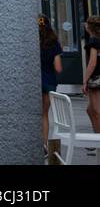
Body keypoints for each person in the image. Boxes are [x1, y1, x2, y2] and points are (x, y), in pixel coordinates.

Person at [41, 16, 64, 145]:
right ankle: (44, 144)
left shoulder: (32, 42)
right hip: (49, 81)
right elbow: (58, 68)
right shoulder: (54, 43)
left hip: (34, 82)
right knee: (44, 114)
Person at [84, 16, 100, 133]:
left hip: (96, 79)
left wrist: (85, 80)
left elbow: (92, 62)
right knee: (90, 110)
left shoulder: (93, 41)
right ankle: (96, 138)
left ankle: (98, 140)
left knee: (96, 111)